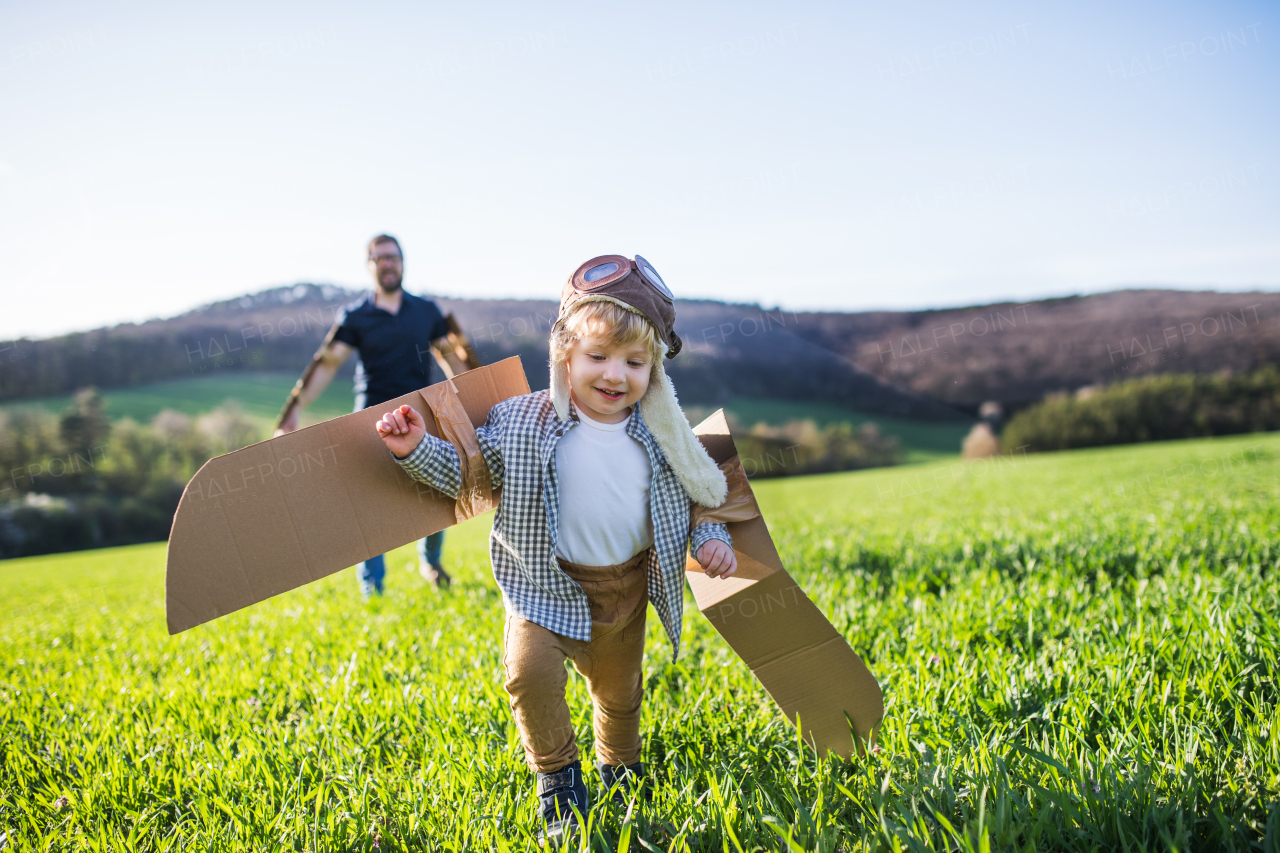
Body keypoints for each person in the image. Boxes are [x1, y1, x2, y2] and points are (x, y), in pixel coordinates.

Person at [374, 254, 738, 840]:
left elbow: (703, 499)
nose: (615, 375)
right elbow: (469, 477)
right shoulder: (522, 423)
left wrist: (711, 539)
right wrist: (414, 448)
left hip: (623, 591)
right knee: (527, 674)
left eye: (634, 363)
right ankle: (559, 778)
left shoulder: (665, 436)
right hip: (543, 583)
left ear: (655, 372)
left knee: (619, 695)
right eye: (597, 357)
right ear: (564, 358)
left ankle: (621, 770)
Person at [277, 234, 469, 595]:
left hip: (419, 415)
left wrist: (475, 394)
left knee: (434, 491)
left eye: (392, 257)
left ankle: (430, 561)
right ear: (369, 266)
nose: (387, 263)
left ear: (402, 262)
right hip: (370, 419)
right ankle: (373, 588)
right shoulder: (356, 316)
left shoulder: (426, 311)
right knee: (367, 508)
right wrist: (294, 410)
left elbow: (451, 356)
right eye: (379, 258)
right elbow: (328, 361)